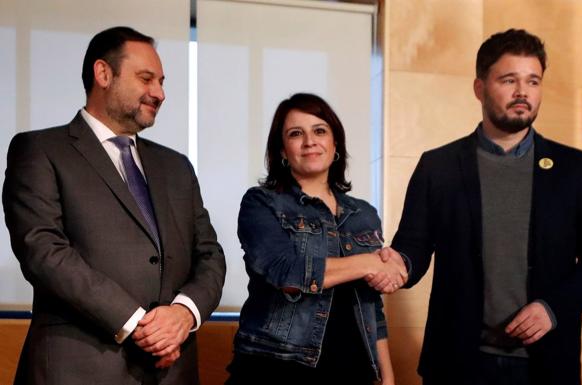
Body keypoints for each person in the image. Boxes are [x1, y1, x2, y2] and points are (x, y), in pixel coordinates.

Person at [382, 29, 582, 385]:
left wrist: (553, 309)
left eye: (533, 81)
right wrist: (396, 264)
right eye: (509, 80)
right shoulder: (438, 166)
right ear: (480, 88)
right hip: (457, 363)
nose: (523, 92)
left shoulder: (577, 169)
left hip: (547, 363)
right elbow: (412, 249)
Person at [2, 26, 226, 385]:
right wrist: (139, 324)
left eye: (162, 81)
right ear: (103, 73)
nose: (160, 93)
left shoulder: (177, 167)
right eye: (146, 78)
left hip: (173, 370)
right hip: (77, 368)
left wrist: (184, 314)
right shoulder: (40, 150)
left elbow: (210, 255)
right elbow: (43, 251)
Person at [226, 93, 405, 385]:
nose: (310, 141)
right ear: (282, 150)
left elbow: (371, 304)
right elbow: (286, 271)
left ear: (335, 144)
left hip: (352, 368)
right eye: (296, 134)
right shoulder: (261, 203)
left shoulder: (364, 214)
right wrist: (369, 263)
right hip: (276, 367)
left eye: (320, 131)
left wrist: (387, 375)